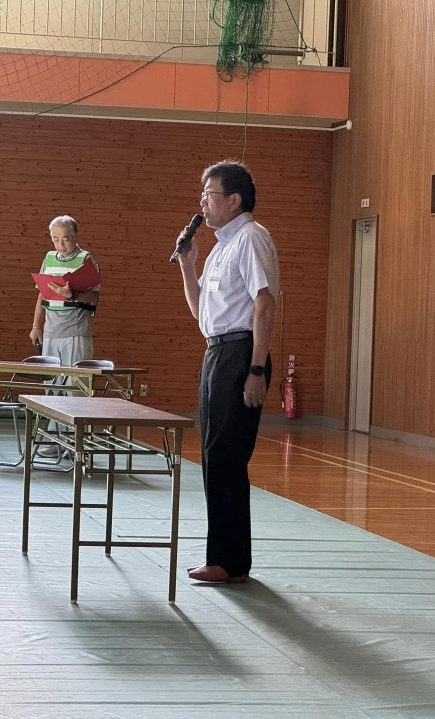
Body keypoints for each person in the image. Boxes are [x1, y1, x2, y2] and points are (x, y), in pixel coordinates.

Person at [175, 161, 279, 584]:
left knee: (227, 457)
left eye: (210, 194)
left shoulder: (251, 237)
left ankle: (230, 561)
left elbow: (265, 303)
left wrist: (256, 368)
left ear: (234, 200)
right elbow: (201, 311)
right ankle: (223, 558)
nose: (202, 202)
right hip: (216, 352)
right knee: (213, 457)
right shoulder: (221, 246)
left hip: (240, 354)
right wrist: (188, 264)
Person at [29, 216, 101, 457]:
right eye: (56, 239)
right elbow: (42, 295)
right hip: (51, 332)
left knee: (74, 389)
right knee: (52, 388)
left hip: (75, 332)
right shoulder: (49, 258)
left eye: (66, 239)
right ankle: (55, 439)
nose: (61, 245)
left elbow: (93, 296)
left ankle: (75, 444)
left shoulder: (86, 259)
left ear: (75, 237)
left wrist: (72, 295)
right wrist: (36, 326)